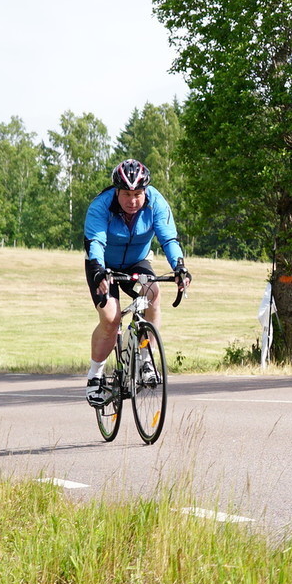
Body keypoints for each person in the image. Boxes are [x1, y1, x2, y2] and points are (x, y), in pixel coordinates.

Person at [84, 159, 190, 404]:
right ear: (117, 192)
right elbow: (95, 242)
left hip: (137, 260)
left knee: (153, 292)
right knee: (111, 319)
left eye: (137, 194)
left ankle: (145, 359)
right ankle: (95, 376)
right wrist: (98, 270)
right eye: (126, 194)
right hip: (103, 264)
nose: (132, 201)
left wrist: (179, 267)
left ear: (145, 191)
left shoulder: (156, 203)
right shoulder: (100, 206)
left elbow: (169, 239)